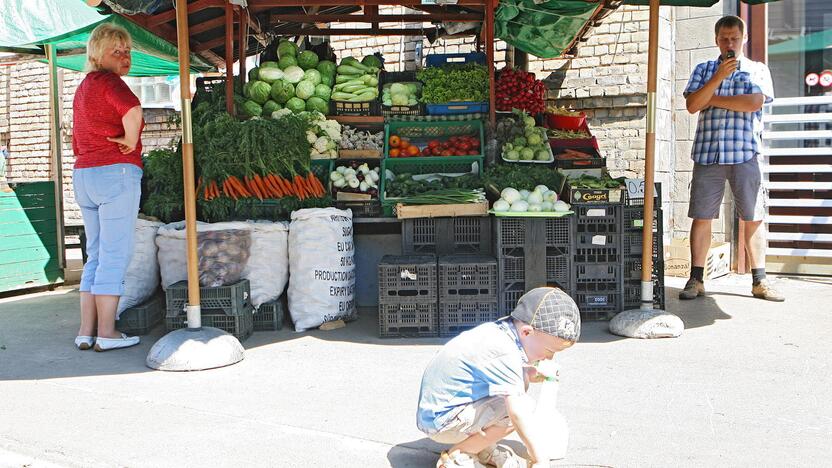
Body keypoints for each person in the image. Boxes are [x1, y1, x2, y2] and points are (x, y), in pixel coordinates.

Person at [416, 288, 580, 468]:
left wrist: (532, 373)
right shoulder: (504, 351)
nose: (550, 358)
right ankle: (459, 456)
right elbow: (517, 413)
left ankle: (482, 448)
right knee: (519, 410)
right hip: (442, 421)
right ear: (526, 332)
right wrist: (540, 458)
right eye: (549, 351)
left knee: (517, 390)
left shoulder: (502, 332)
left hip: (438, 412)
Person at [682, 15, 784, 302]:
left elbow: (753, 103)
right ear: (716, 40)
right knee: (702, 216)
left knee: (753, 217)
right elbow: (692, 105)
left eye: (734, 38)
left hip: (745, 152)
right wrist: (718, 79)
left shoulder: (756, 70)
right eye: (724, 38)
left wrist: (710, 98)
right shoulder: (704, 69)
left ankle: (759, 281)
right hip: (708, 152)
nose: (729, 43)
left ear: (744, 38)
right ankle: (696, 279)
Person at [71, 23, 145, 351]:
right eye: (117, 50)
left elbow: (77, 137)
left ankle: (85, 332)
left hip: (84, 175)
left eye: (127, 50)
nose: (124, 56)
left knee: (96, 254)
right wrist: (130, 139)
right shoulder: (110, 82)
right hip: (115, 174)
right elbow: (133, 110)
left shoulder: (84, 86)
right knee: (115, 254)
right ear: (98, 55)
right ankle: (107, 333)